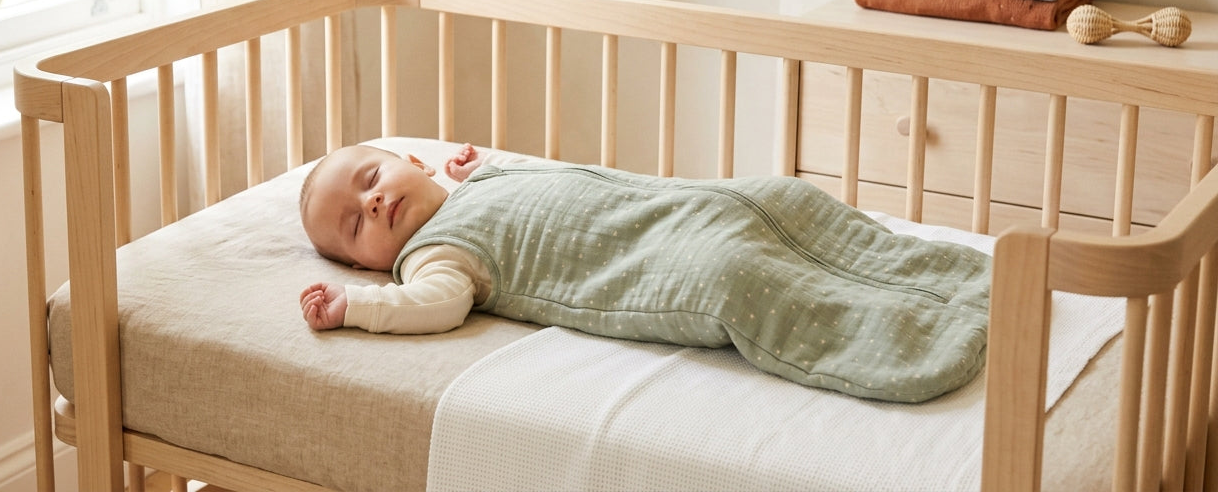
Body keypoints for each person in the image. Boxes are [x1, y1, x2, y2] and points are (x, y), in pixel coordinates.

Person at [298, 142, 992, 403]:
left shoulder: (479, 179)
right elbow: (434, 305)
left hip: (685, 206)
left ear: (413, 162)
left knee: (781, 196)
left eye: (372, 179)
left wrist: (480, 167)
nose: (373, 203)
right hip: (659, 260)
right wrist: (356, 305)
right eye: (355, 225)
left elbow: (538, 183)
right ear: (365, 263)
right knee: (737, 274)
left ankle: (959, 280)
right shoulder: (433, 258)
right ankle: (916, 334)